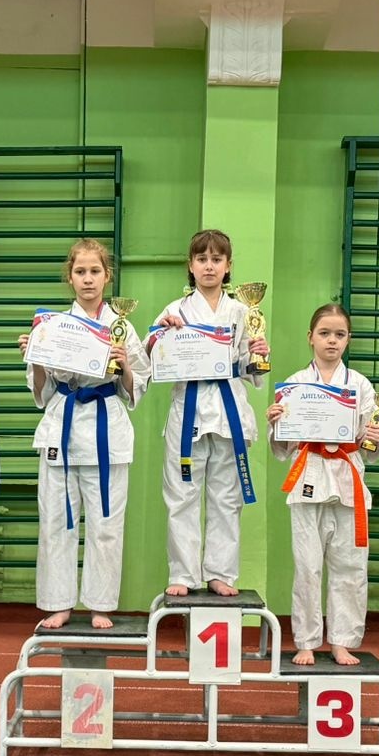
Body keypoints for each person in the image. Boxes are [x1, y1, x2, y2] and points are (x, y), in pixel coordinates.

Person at [18, 239, 149, 630]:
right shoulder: (54, 327)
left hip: (107, 430)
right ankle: (58, 603)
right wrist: (37, 358)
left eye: (95, 271)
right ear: (70, 277)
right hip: (62, 425)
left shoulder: (122, 327)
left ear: (107, 276)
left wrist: (124, 365)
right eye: (80, 271)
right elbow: (41, 393)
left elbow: (137, 386)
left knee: (107, 523)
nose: (88, 279)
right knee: (57, 520)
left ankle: (100, 603)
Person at [148, 229, 269, 597]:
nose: (209, 266)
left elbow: (253, 371)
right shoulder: (174, 311)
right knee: (182, 495)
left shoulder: (244, 312)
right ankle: (183, 573)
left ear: (228, 266)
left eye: (217, 259)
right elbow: (148, 361)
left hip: (229, 411)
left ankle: (220, 572)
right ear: (191, 265)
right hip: (189, 411)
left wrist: (259, 353)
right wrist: (159, 336)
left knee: (226, 498)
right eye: (202, 259)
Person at [266, 304, 379, 667]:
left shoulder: (361, 385)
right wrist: (276, 423)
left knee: (350, 565)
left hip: (348, 478)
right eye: (324, 333)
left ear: (348, 339)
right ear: (310, 338)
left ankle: (343, 641)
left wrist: (376, 436)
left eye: (339, 334)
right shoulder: (295, 385)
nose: (332, 341)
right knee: (307, 565)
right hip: (310, 476)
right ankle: (305, 639)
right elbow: (282, 449)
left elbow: (373, 446)